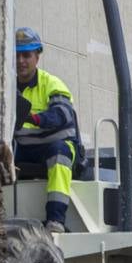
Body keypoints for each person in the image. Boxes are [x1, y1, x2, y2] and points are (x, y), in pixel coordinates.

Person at [12, 28, 81, 233]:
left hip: (52, 146)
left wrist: (33, 118)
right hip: (21, 147)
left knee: (60, 153)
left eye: (26, 55)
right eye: (16, 55)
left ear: (37, 56)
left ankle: (56, 220)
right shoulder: (5, 85)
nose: (21, 61)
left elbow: (62, 115)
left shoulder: (52, 84)